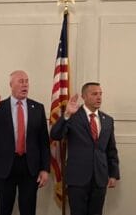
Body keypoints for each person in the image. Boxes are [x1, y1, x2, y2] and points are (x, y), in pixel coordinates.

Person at [0, 70, 50, 215]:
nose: (25, 85)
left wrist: (45, 169)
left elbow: (43, 141)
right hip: (5, 166)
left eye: (27, 81)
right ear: (11, 85)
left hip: (30, 167)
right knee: (4, 209)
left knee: (28, 210)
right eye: (21, 81)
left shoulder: (37, 108)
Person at [50, 82, 120, 215]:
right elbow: (55, 135)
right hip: (77, 178)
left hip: (100, 178)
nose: (99, 97)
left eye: (100, 94)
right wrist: (66, 115)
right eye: (94, 94)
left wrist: (113, 174)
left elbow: (111, 150)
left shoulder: (108, 120)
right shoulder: (73, 116)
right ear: (84, 96)